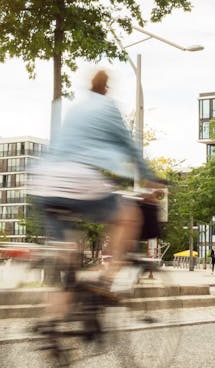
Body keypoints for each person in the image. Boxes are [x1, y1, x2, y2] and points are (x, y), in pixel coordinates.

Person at [30, 70, 160, 317]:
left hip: (45, 181)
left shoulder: (75, 109)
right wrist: (149, 179)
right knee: (129, 217)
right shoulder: (107, 107)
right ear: (106, 88)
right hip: (78, 179)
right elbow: (128, 145)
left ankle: (51, 326)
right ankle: (105, 279)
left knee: (67, 260)